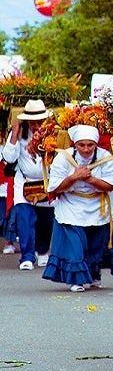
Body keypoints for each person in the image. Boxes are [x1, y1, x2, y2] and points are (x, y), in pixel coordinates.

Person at [41, 125, 113, 292]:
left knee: (96, 244)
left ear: (96, 144)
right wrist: (74, 177)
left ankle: (92, 274)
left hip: (98, 205)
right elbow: (55, 187)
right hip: (72, 205)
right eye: (81, 145)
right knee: (75, 244)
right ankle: (76, 279)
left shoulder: (105, 157)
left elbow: (111, 185)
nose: (86, 149)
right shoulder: (63, 158)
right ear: (75, 145)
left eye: (90, 145)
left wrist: (89, 179)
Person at [3, 99, 55, 270]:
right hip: (24, 183)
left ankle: (42, 252)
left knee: (46, 221)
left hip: (46, 183)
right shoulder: (19, 133)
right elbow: (9, 158)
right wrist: (15, 134)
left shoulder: (53, 133)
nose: (36, 126)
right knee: (25, 220)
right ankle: (27, 256)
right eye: (33, 123)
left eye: (39, 122)